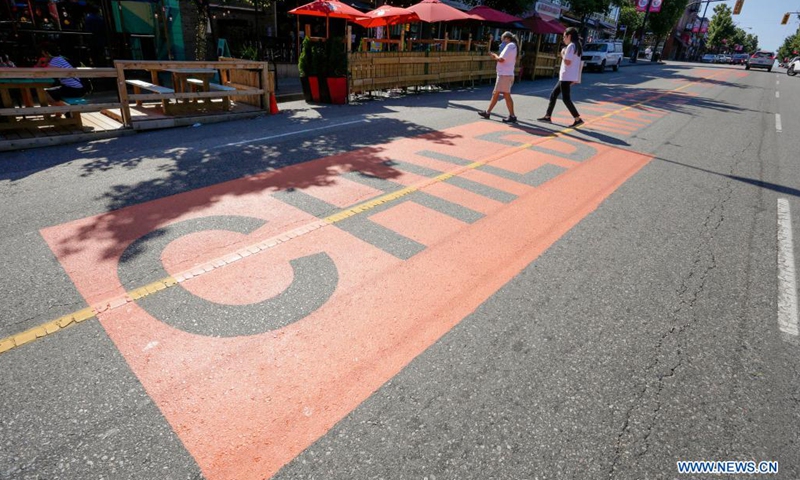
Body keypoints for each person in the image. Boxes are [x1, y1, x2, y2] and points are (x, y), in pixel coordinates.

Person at [537, 27, 584, 128]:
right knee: (554, 94)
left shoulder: (571, 46)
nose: (563, 39)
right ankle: (547, 116)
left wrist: (563, 53)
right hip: (568, 76)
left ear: (569, 36)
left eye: (564, 37)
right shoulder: (577, 46)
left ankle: (577, 119)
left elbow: (567, 61)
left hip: (566, 76)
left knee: (566, 99)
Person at [477, 31, 518, 123]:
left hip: (505, 75)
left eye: (503, 39)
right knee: (496, 93)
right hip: (505, 74)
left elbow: (501, 59)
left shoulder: (510, 45)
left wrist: (494, 56)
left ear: (507, 38)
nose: (502, 42)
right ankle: (488, 112)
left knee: (506, 95)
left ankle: (512, 115)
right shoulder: (513, 45)